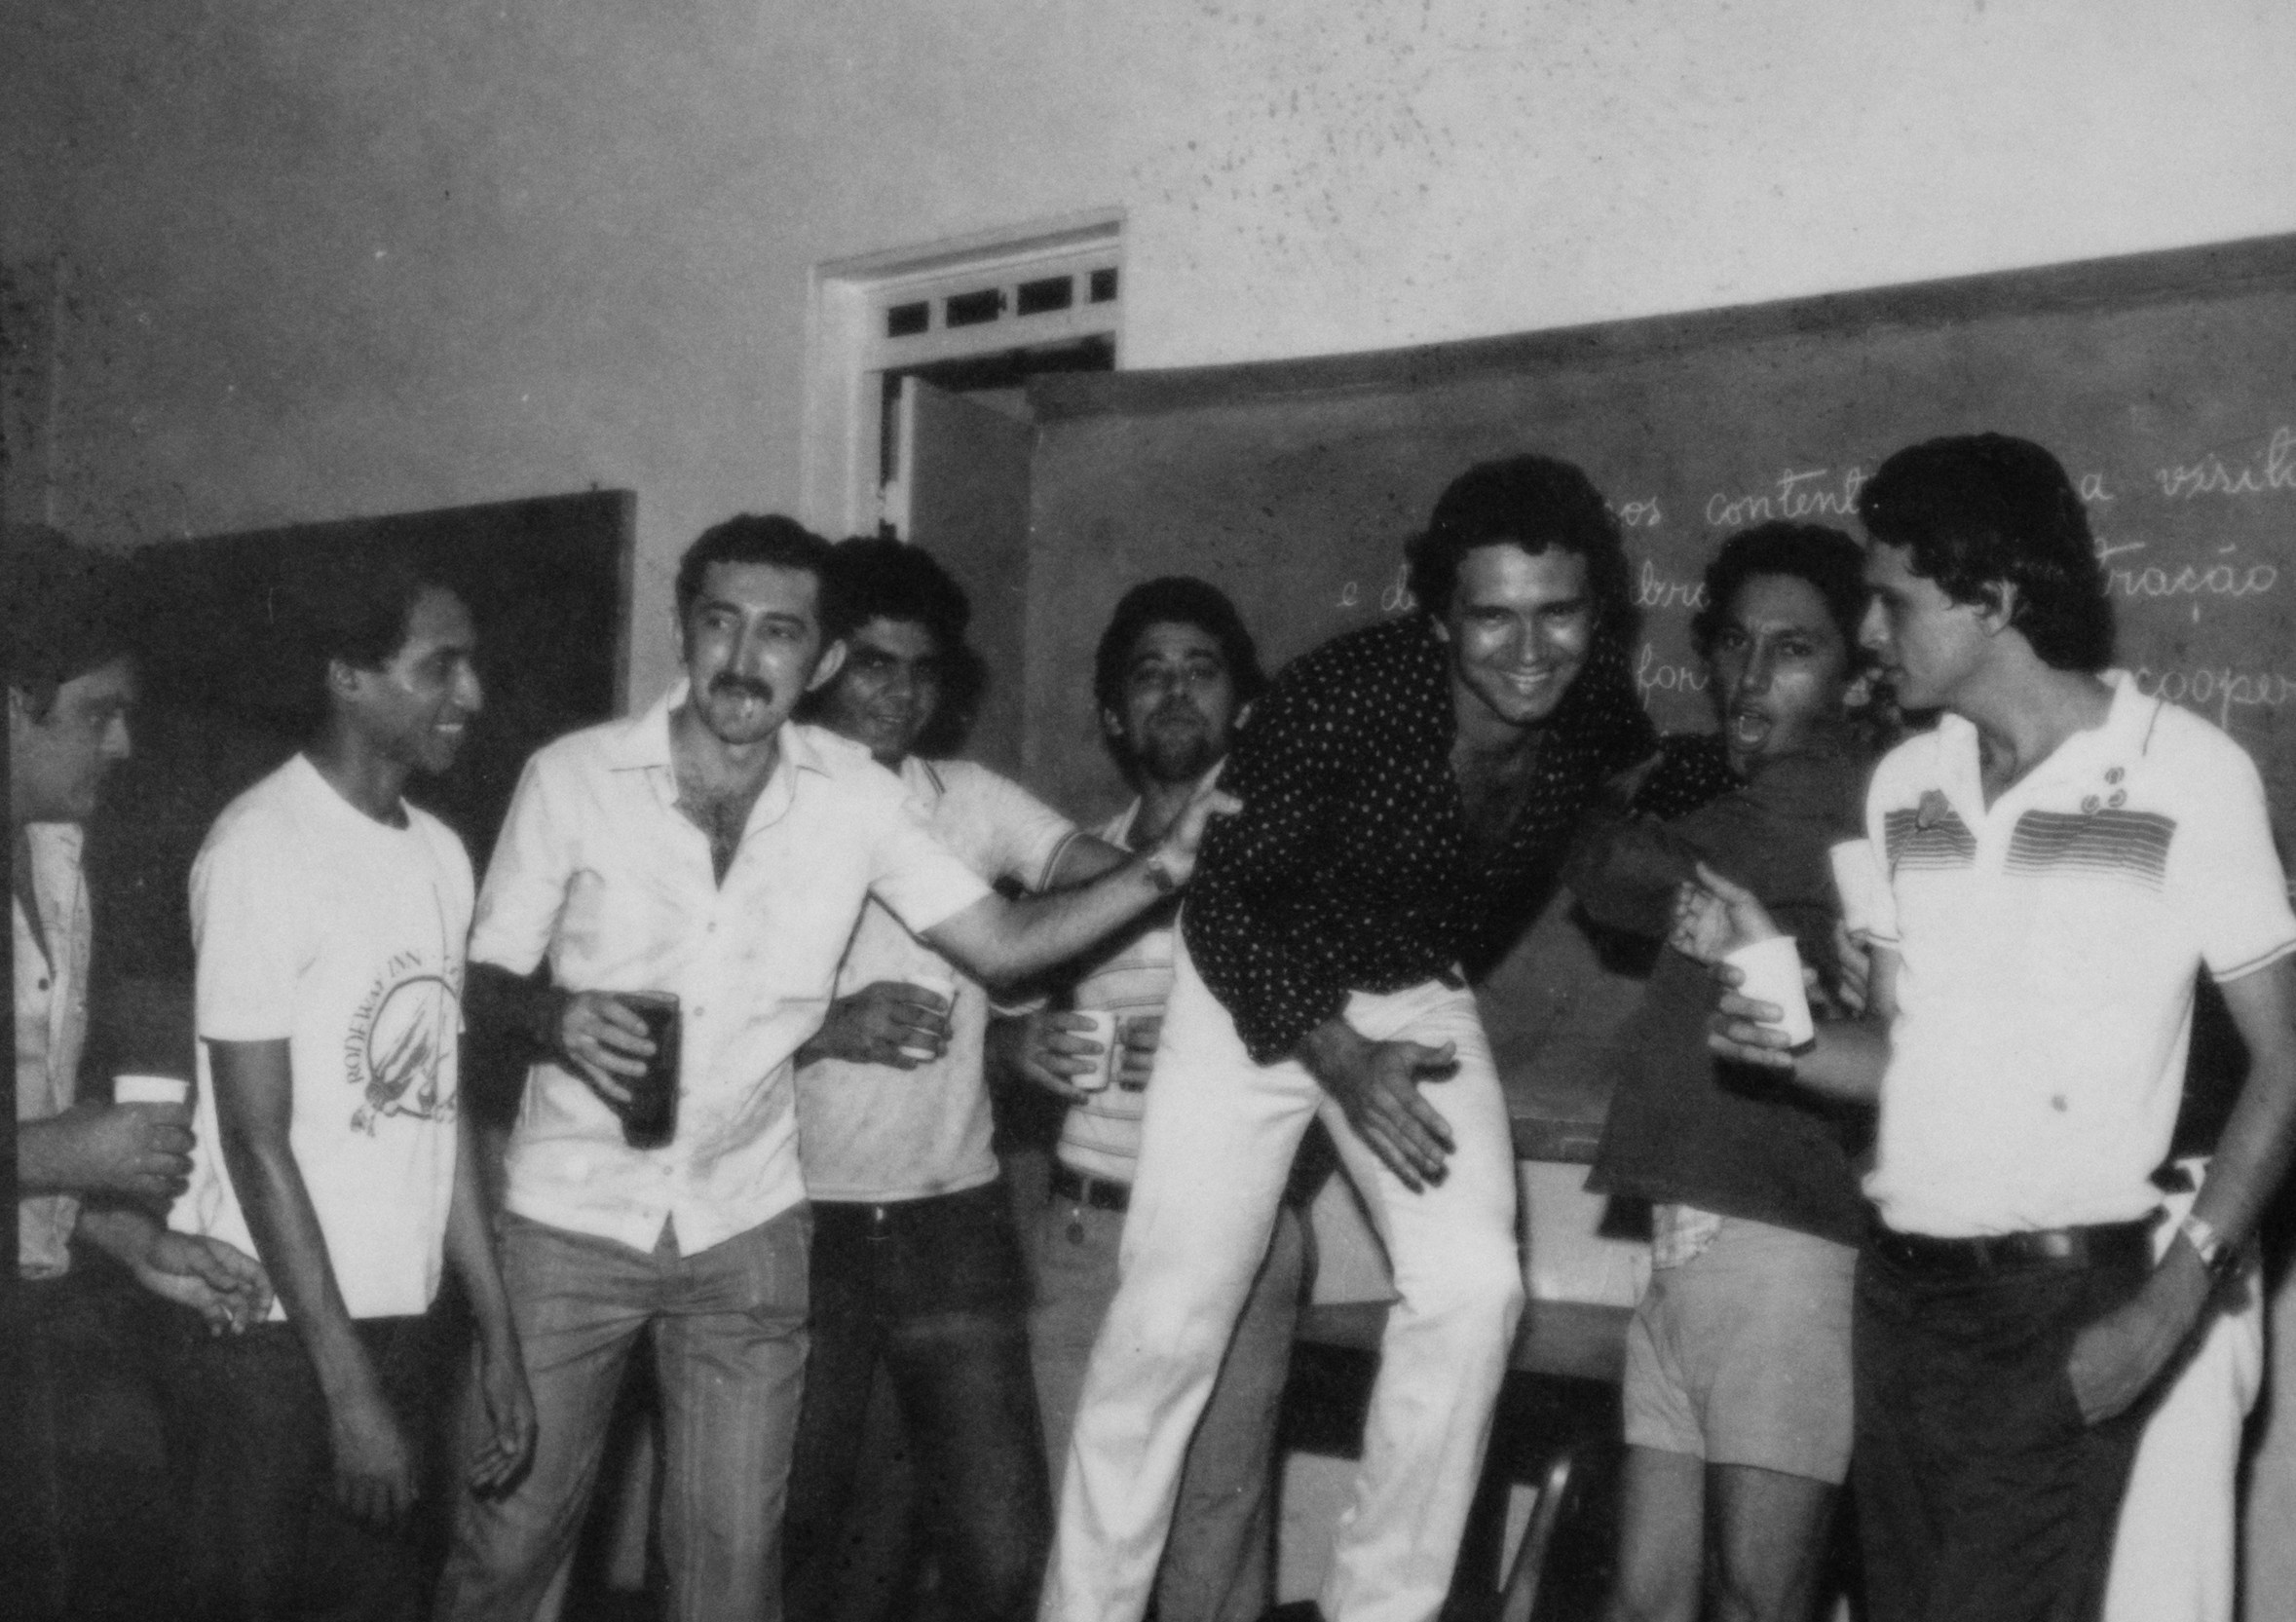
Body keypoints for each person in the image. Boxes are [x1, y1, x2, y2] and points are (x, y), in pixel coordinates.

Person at [434, 514, 1234, 1622]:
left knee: (735, 1576)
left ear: (814, 660)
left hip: (748, 1232)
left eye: (778, 633)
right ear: (684, 630)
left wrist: (1165, 866)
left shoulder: (858, 798)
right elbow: (477, 988)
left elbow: (1003, 947)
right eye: (720, 623)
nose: (742, 657)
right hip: (572, 1222)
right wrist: (556, 1013)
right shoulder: (572, 778)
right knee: (512, 1549)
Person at [1040, 455, 1658, 1622]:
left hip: (1409, 990)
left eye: (1559, 614)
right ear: (1438, 618)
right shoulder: (1340, 697)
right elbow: (1221, 906)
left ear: (1597, 613)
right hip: (1251, 981)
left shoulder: (1596, 709)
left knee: (1473, 1289)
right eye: (1492, 616)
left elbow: (1649, 792)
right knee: (1168, 1324)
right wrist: (1333, 1055)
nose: (1530, 650)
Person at [1694, 434, 2296, 1622]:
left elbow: (2288, 1053)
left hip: (2057, 1304)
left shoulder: (2186, 774)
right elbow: (1897, 1055)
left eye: (1892, 600)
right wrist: (1789, 1040)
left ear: (1996, 598)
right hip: (1899, 1301)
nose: (1868, 633)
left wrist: (2173, 1300)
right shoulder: (1903, 787)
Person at [169, 545, 534, 1620]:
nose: (472, 694)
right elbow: (255, 1139)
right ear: (347, 676)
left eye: (471, 664)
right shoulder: (258, 847)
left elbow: (438, 1114)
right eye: (439, 666)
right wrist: (347, 1389)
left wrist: (497, 1334)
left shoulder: (443, 855)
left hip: (404, 1323)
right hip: (272, 1341)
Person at [781, 538, 1121, 1622]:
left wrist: (1214, 863)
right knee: (812, 1549)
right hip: (799, 1222)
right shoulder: (764, 800)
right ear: (824, 663)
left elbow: (1091, 878)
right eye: (874, 665)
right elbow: (692, 1014)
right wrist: (823, 1026)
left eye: (923, 671)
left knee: (1003, 1550)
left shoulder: (966, 799)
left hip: (950, 1223)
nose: (900, 695)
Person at [1566, 523, 1880, 1622]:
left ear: (1858, 671)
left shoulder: (1831, 788)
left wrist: (1608, 781)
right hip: (1692, 1244)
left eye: (1792, 650)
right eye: (1735, 645)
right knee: (1647, 1603)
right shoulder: (1751, 794)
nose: (1750, 677)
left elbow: (1610, 871)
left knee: (1756, 1599)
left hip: (1775, 1247)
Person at [996, 576, 1311, 1622]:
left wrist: (1201, 1059)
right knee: (1086, 1544)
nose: (1174, 693)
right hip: (1087, 1233)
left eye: (1200, 670)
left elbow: (1342, 1053)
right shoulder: (1072, 865)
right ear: (1112, 713)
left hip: (1237, 1232)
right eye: (1148, 674)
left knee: (1211, 1546)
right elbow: (995, 1021)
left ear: (1243, 704)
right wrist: (1018, 1044)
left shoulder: (1295, 860)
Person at [7, 524, 273, 1621]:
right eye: (95, 715)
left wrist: (133, 1238)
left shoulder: (58, 864)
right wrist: (58, 1150)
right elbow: (40, 1147)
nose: (121, 745)